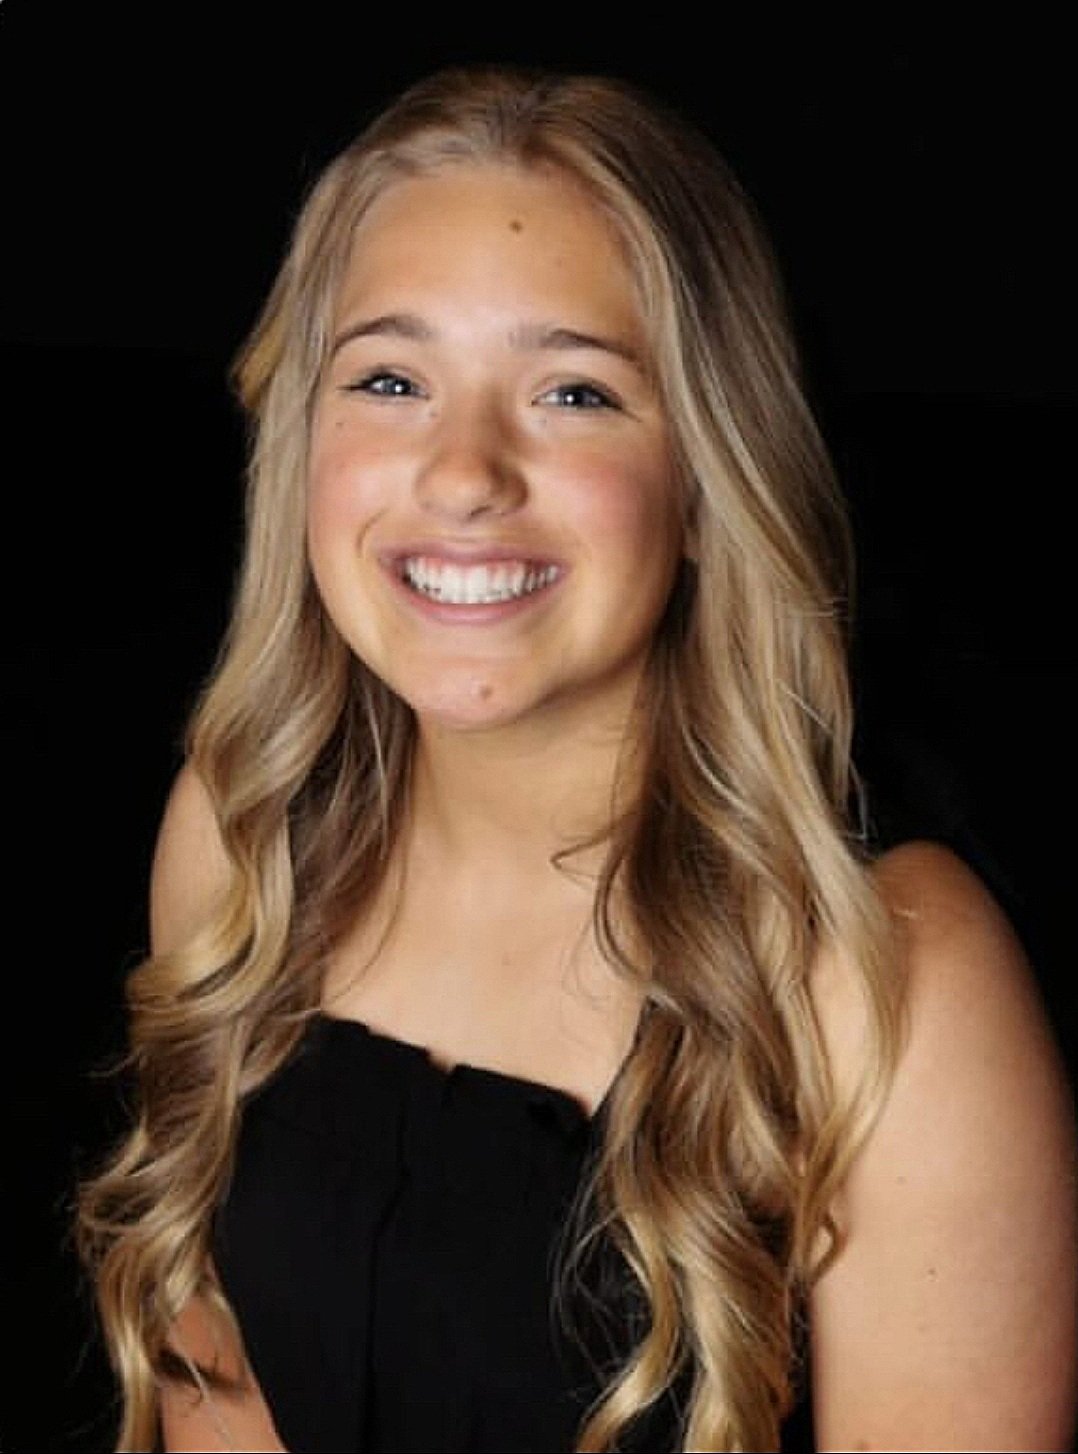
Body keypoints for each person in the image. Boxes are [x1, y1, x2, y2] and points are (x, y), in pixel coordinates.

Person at [77, 66, 1076, 1453]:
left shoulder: (886, 980)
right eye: (387, 378)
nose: (466, 471)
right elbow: (218, 1398)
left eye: (572, 391)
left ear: (706, 482)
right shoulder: (244, 841)